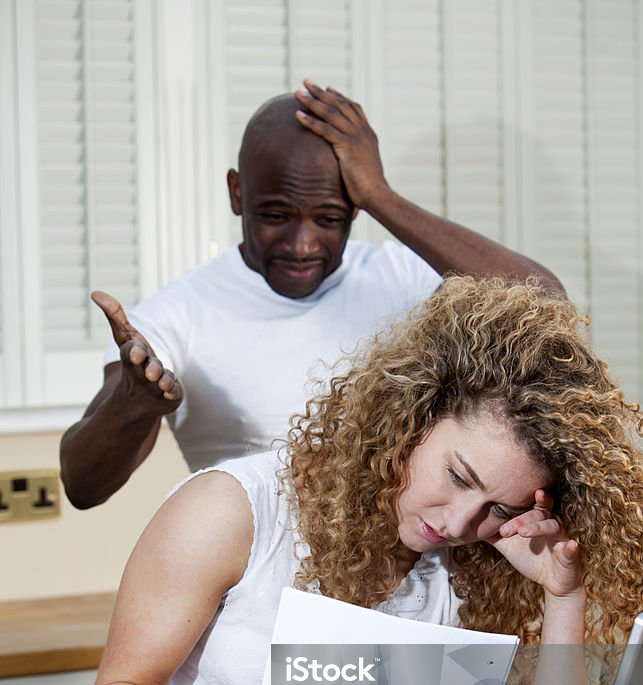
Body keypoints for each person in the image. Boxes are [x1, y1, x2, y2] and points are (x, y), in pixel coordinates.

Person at [84, 276, 643, 685]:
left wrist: (563, 594)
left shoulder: (470, 571)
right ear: (410, 418)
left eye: (498, 508)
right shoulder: (235, 510)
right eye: (457, 477)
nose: (457, 523)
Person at [59, 80, 563, 510]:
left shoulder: (402, 276)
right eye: (276, 216)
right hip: (256, 591)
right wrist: (132, 403)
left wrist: (380, 195)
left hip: (410, 585)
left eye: (328, 219)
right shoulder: (176, 317)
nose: (302, 246)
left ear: (354, 207)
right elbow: (82, 486)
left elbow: (546, 309)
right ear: (238, 194)